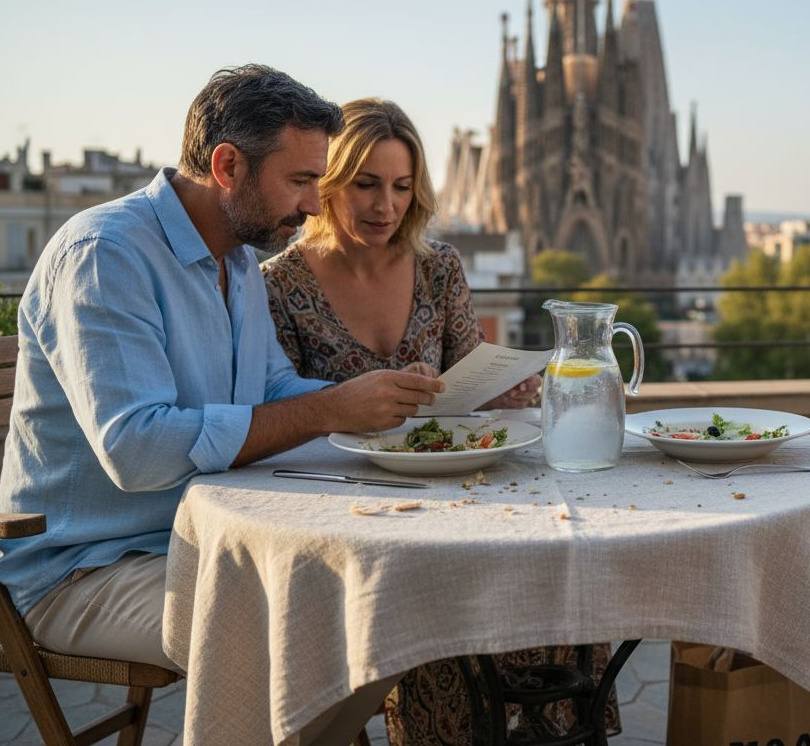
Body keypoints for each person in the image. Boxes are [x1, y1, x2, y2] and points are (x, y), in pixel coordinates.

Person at [0, 65, 444, 744]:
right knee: (301, 632)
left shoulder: (235, 258)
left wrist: (374, 410)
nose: (316, 206)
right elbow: (138, 451)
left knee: (386, 601)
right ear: (228, 165)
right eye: (300, 182)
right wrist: (328, 411)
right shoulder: (104, 256)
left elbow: (271, 394)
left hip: (204, 541)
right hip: (83, 570)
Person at [261, 98, 617, 745]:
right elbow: (280, 405)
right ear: (330, 184)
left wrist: (510, 387)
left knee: (554, 569)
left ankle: (551, 727)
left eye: (401, 187)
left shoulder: (439, 266)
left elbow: (467, 375)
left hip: (455, 487)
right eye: (366, 185)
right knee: (438, 602)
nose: (385, 206)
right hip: (348, 505)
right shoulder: (280, 282)